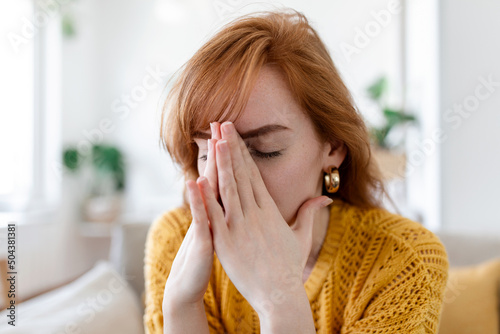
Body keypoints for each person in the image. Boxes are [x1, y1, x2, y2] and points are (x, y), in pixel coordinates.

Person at [144, 9, 449, 334]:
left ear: (332, 147)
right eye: (207, 152)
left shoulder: (404, 261)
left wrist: (281, 301)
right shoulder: (175, 240)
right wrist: (181, 306)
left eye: (264, 150)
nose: (228, 178)